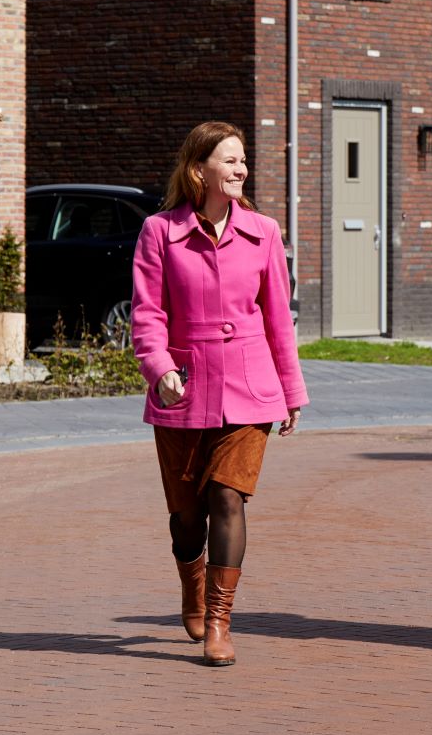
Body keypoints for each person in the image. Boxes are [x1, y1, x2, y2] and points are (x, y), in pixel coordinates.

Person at [131, 121, 308, 667]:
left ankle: (219, 621)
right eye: (229, 160)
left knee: (228, 498)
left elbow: (279, 317)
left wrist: (291, 390)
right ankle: (193, 580)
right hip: (181, 391)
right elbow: (147, 314)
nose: (241, 169)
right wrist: (159, 368)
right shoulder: (160, 232)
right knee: (188, 517)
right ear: (199, 168)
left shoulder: (264, 232)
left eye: (243, 161)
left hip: (251, 388)